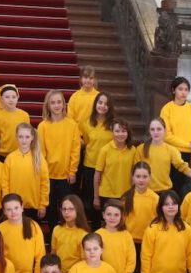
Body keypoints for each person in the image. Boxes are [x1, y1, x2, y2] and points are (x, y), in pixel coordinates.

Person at [38, 89, 80, 231]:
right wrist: (43, 172)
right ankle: (52, 234)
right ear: (48, 105)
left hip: (66, 175)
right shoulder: (43, 126)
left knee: (66, 207)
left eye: (59, 102)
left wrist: (72, 171)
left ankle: (65, 232)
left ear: (63, 104)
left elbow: (75, 150)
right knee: (50, 208)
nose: (56, 105)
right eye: (53, 102)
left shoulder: (72, 125)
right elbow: (41, 151)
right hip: (48, 174)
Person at [123, 162, 158, 273]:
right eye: (138, 176)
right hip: (130, 244)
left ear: (150, 178)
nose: (141, 180)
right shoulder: (126, 197)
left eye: (144, 176)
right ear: (133, 177)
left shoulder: (155, 198)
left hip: (148, 244)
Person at [160, 77, 191, 198]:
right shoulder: (167, 109)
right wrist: (188, 145)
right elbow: (166, 135)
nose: (183, 92)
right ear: (174, 90)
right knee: (171, 188)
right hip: (172, 153)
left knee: (182, 190)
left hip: (187, 155)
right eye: (180, 89)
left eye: (186, 89)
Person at [0, 194, 46, 273]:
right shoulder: (0, 229)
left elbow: (40, 256)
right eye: (9, 209)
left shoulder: (33, 226)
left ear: (22, 208)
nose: (13, 212)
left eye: (16, 208)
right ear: (4, 212)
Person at [135, 117, 191, 194]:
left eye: (159, 129)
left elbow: (184, 168)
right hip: (146, 192)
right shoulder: (141, 149)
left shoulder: (171, 150)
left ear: (164, 130)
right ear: (149, 131)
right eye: (152, 129)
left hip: (165, 193)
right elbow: (134, 171)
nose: (155, 132)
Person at [2, 123, 49, 220]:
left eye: (27, 137)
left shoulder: (39, 159)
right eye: (20, 137)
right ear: (16, 137)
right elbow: (5, 183)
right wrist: (6, 202)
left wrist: (43, 204)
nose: (24, 140)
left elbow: (45, 184)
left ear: (32, 137)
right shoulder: (10, 158)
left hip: (33, 206)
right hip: (14, 207)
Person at [79, 92, 114, 220]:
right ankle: (93, 226)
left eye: (106, 104)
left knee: (105, 198)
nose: (103, 106)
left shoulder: (113, 124)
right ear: (95, 104)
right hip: (90, 165)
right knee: (91, 199)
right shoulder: (87, 123)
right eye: (100, 103)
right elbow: (87, 142)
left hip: (107, 167)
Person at [93, 118, 135, 211]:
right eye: (117, 131)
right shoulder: (105, 150)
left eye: (123, 131)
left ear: (128, 133)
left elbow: (133, 173)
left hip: (125, 194)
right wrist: (96, 197)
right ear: (112, 132)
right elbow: (97, 174)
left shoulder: (132, 150)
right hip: (106, 194)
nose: (120, 134)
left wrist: (133, 193)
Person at [50, 194, 89, 273]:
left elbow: (84, 261)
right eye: (64, 209)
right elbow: (53, 254)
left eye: (71, 209)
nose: (66, 212)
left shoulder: (83, 234)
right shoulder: (57, 229)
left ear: (78, 210)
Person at [0, 85, 30, 159]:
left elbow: (27, 135)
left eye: (13, 97)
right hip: (2, 155)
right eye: (7, 97)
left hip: (20, 153)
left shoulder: (24, 115)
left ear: (17, 98)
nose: (11, 100)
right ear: (1, 99)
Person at [67, 66, 99, 131]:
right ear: (81, 79)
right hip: (78, 133)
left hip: (94, 134)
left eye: (91, 78)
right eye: (85, 77)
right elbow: (70, 118)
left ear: (95, 80)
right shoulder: (74, 97)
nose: (88, 80)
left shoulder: (99, 96)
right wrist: (76, 133)